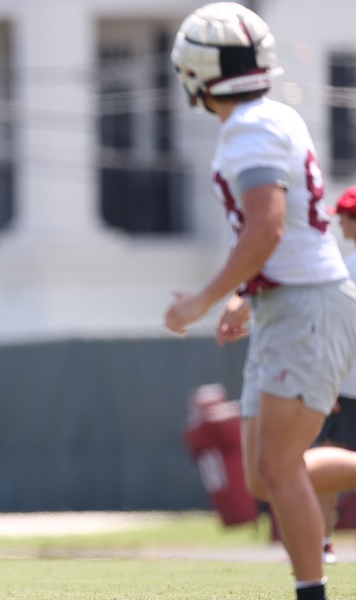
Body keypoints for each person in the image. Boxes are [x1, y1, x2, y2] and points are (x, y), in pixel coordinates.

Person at [165, 5, 356, 599]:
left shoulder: (250, 126)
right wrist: (249, 295)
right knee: (264, 475)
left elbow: (267, 227)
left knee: (278, 466)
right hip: (289, 302)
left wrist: (203, 297)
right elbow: (292, 229)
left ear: (197, 72)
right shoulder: (267, 116)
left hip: (305, 305)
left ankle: (310, 591)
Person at [315, 186, 356, 564]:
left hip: (343, 385)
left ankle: (322, 542)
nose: (338, 222)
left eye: (342, 216)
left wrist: (326, 380)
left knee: (326, 461)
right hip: (344, 384)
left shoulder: (347, 269)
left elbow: (335, 332)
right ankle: (322, 542)